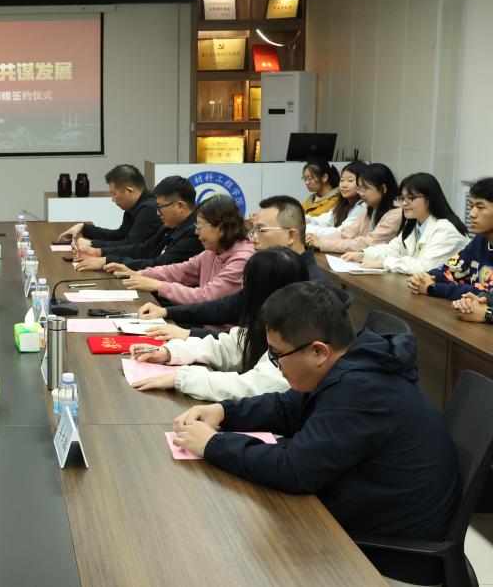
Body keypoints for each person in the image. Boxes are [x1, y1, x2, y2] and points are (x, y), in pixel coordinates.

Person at [171, 282, 460, 586]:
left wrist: (213, 444)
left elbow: (294, 470)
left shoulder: (363, 391)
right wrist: (224, 411)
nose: (276, 365)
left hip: (385, 562)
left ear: (318, 351)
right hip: (356, 524)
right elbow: (289, 407)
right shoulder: (355, 360)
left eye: (277, 354)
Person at [137, 195, 327, 341]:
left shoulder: (311, 288)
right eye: (253, 230)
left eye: (261, 230)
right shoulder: (272, 268)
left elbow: (259, 341)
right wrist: (168, 312)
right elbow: (226, 307)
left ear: (291, 236)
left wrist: (189, 334)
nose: (253, 238)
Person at [127, 247, 305, 400]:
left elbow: (251, 386)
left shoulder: (297, 337)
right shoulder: (276, 320)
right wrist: (169, 352)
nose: (243, 291)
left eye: (246, 283)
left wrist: (181, 378)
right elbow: (229, 347)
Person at [122, 195, 254, 304]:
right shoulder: (212, 252)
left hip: (219, 327)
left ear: (220, 228)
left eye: (200, 226)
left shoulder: (242, 260)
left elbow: (206, 297)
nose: (196, 232)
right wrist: (141, 274)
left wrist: (159, 286)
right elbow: (181, 271)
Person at [341, 173, 468, 274]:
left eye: (411, 198)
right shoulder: (413, 224)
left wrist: (384, 263)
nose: (404, 203)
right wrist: (363, 255)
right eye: (402, 198)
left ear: (430, 198)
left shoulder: (446, 229)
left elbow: (426, 267)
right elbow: (392, 249)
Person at [72, 175, 202, 273]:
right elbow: (144, 249)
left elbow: (159, 265)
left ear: (179, 206)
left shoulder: (194, 233)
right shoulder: (172, 225)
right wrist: (98, 252)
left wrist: (106, 260)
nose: (157, 213)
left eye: (160, 207)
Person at [409, 176, 493, 303]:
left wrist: (433, 288)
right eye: (472, 206)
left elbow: (487, 295)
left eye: (480, 207)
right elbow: (451, 268)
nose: (472, 213)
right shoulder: (480, 240)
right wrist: (426, 277)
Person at [57, 164, 162, 249]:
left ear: (129, 191)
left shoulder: (148, 209)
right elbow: (118, 236)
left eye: (114, 194)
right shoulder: (135, 206)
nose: (113, 199)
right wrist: (83, 227)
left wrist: (91, 244)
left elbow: (131, 246)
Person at [308, 162, 401, 254]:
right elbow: (346, 233)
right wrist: (317, 240)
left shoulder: (396, 214)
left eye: (365, 188)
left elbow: (368, 243)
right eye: (360, 189)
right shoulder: (370, 209)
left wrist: (322, 243)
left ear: (383, 189)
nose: (361, 193)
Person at [306, 160, 368, 236]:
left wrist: (307, 229)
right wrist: (302, 219)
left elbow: (341, 233)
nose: (344, 185)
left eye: (350, 181)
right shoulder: (343, 204)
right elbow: (322, 221)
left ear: (363, 184)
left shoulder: (363, 206)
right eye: (342, 180)